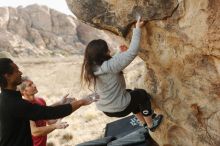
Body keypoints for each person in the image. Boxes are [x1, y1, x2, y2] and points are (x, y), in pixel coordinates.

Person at [81, 18, 163, 132]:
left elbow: (109, 66)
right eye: (107, 49)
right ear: (103, 53)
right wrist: (137, 29)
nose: (109, 50)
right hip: (119, 108)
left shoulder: (91, 67)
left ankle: (143, 122)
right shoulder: (110, 66)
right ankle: (151, 124)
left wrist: (119, 53)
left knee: (129, 93)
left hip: (106, 108)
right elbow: (133, 51)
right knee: (142, 95)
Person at [0, 58, 95, 146]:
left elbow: (42, 112)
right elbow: (48, 113)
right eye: (16, 71)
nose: (20, 72)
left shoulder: (6, 99)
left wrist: (61, 103)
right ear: (7, 76)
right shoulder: (14, 103)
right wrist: (81, 102)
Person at [18, 77, 72, 146]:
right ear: (23, 91)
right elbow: (35, 132)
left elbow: (49, 121)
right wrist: (55, 126)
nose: (34, 85)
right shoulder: (25, 107)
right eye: (30, 85)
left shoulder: (40, 100)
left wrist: (64, 107)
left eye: (33, 83)